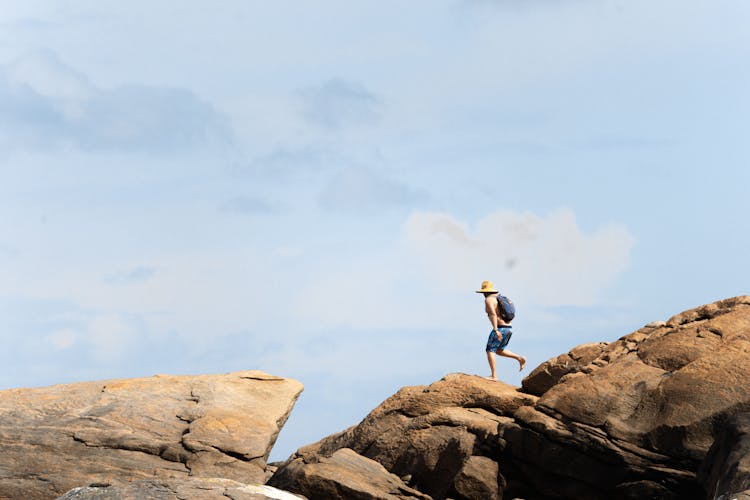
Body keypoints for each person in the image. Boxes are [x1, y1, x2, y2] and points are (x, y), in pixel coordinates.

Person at [476, 280, 526, 380]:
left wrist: (495, 330)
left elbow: (493, 314)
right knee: (499, 350)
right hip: (508, 328)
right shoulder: (501, 299)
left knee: (490, 350)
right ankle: (519, 358)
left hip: (500, 328)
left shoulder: (489, 300)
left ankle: (494, 376)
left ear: (485, 292)